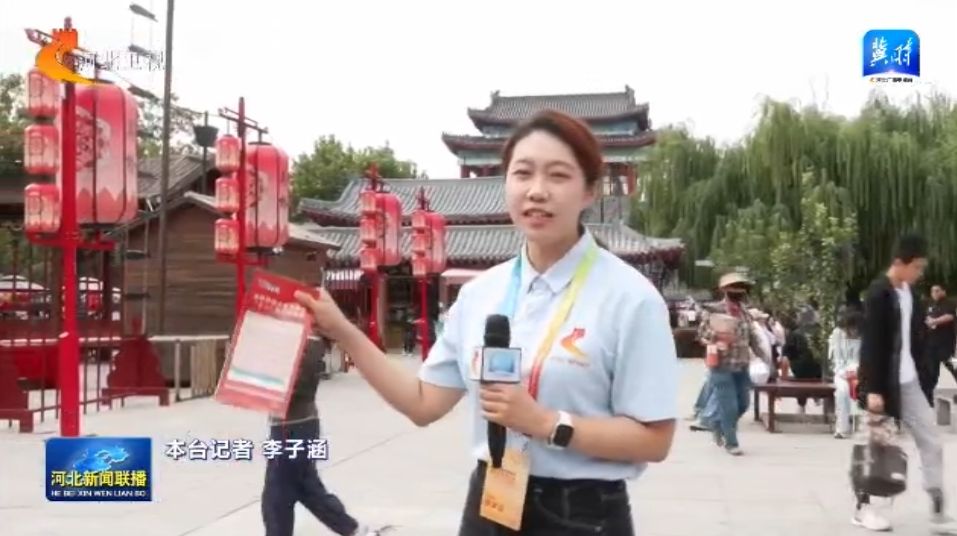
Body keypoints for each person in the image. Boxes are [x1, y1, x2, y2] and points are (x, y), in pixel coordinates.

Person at [295, 109, 679, 534]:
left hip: (584, 513)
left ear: (589, 190)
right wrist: (343, 330)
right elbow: (422, 404)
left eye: (558, 176)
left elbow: (654, 439)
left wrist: (547, 423)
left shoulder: (630, 298)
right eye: (523, 174)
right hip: (491, 502)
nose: (537, 191)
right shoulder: (481, 294)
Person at [854, 233, 957, 533]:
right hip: (883, 384)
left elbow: (915, 340)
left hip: (910, 382)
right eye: (917, 267)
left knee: (932, 441)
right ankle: (865, 509)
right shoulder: (878, 294)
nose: (920, 273)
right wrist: (873, 389)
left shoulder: (910, 293)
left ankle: (937, 509)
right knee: (880, 446)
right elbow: (871, 344)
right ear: (900, 262)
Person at [261, 337, 381, 536]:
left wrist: (268, 376)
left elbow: (302, 386)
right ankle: (355, 530)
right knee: (302, 488)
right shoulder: (289, 337)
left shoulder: (308, 340)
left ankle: (355, 530)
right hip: (287, 425)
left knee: (278, 495)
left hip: (296, 426)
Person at [696, 273, 769, 455]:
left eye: (741, 288)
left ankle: (717, 424)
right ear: (725, 290)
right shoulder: (714, 310)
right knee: (729, 406)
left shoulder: (746, 313)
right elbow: (702, 335)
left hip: (742, 365)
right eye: (734, 287)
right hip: (721, 365)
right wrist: (719, 336)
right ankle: (731, 442)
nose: (738, 291)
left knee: (743, 403)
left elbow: (752, 338)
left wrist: (764, 357)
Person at [829, 306, 862, 438]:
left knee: (859, 389)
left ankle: (860, 426)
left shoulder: (864, 337)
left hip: (859, 372)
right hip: (841, 373)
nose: (852, 331)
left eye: (855, 328)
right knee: (842, 391)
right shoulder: (837, 334)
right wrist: (844, 373)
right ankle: (842, 428)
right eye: (850, 328)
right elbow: (837, 359)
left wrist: (856, 371)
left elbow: (863, 359)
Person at [926, 284, 957, 388]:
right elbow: (927, 316)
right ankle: (929, 390)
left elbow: (950, 316)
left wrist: (934, 321)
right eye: (932, 291)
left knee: (950, 365)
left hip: (945, 341)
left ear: (943, 291)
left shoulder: (948, 303)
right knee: (932, 368)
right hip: (932, 341)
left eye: (937, 291)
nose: (934, 293)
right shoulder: (931, 304)